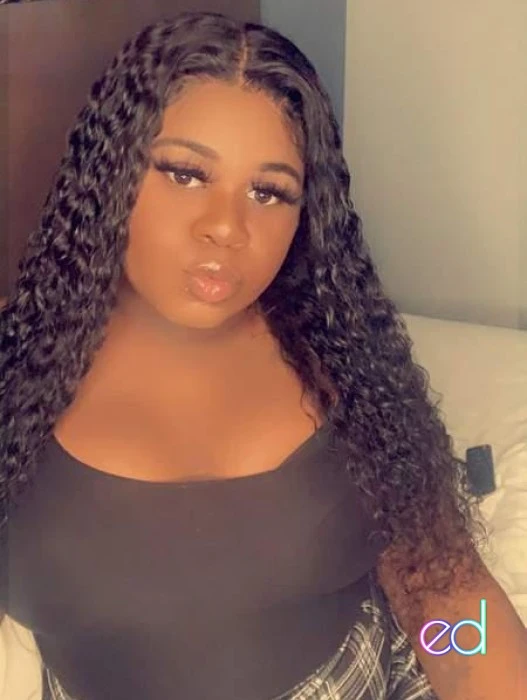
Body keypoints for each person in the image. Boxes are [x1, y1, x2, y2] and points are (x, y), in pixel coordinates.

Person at [0, 10, 526, 700]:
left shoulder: (340, 353)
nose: (226, 227)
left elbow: (447, 604)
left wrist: (469, 670)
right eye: (186, 173)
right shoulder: (16, 366)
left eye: (268, 191)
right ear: (110, 171)